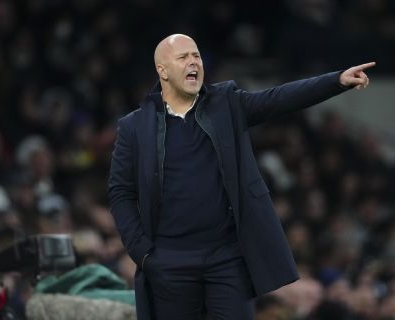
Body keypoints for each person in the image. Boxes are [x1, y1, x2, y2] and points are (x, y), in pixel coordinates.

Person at [108, 33, 375, 320]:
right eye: (183, 57)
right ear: (162, 70)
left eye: (196, 56)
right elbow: (120, 192)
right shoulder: (134, 127)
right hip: (170, 261)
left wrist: (335, 81)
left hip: (226, 258)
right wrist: (145, 254)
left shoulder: (225, 104)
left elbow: (279, 98)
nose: (193, 62)